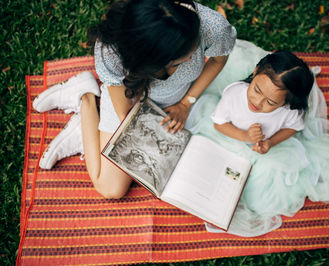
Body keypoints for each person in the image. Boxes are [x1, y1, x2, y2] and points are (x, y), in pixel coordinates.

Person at [32, 0, 237, 199]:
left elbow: (219, 58)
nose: (194, 56)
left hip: (180, 98)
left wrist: (186, 103)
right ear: (151, 61)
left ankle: (92, 126)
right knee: (111, 189)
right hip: (129, 103)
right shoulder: (112, 51)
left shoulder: (210, 26)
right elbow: (125, 114)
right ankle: (86, 98)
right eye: (184, 55)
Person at [189, 51, 329, 236]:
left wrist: (270, 142)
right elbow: (219, 124)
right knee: (204, 169)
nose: (257, 101)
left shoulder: (288, 112)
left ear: (286, 102)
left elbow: (293, 129)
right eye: (257, 89)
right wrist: (245, 136)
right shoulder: (235, 94)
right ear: (255, 72)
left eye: (271, 102)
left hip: (266, 151)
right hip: (230, 138)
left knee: (261, 196)